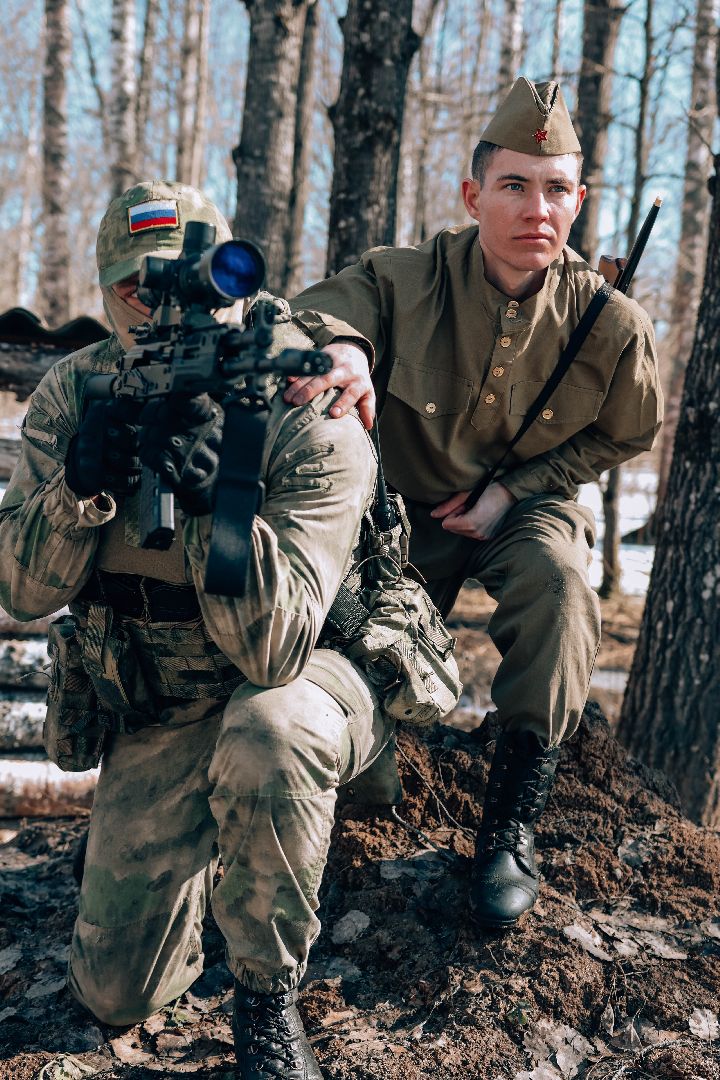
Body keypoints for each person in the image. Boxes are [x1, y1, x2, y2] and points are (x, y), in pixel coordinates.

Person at [0, 180, 399, 1080]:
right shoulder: (78, 391)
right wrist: (77, 491)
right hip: (167, 702)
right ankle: (198, 855)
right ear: (108, 295)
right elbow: (19, 592)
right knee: (114, 993)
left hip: (305, 681)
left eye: (193, 288)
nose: (166, 313)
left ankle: (267, 1000)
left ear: (236, 287)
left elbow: (276, 651)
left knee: (271, 731)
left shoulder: (309, 397)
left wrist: (220, 504)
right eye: (136, 292)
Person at [285, 78, 663, 929]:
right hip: (395, 519)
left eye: (557, 189)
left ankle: (510, 824)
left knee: (561, 589)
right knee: (330, 653)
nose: (537, 209)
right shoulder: (403, 278)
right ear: (472, 195)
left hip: (522, 510)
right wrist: (345, 351)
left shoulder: (611, 324)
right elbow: (319, 315)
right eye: (514, 185)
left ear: (579, 201)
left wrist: (513, 491)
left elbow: (626, 433)